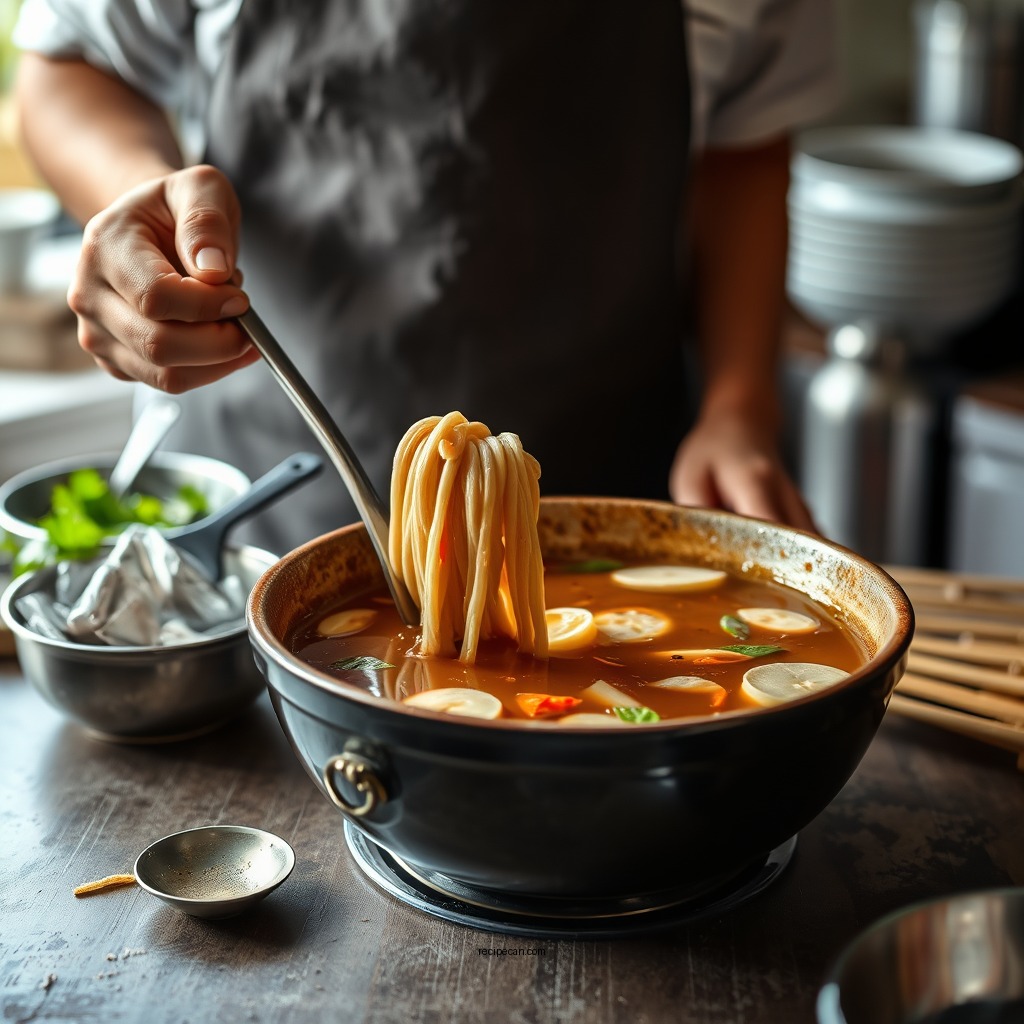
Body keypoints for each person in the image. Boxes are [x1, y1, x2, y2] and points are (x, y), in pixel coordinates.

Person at [11, 0, 837, 555]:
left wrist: (739, 406)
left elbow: (747, 139)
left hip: (617, 515)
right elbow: (67, 67)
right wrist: (134, 201)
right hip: (256, 517)